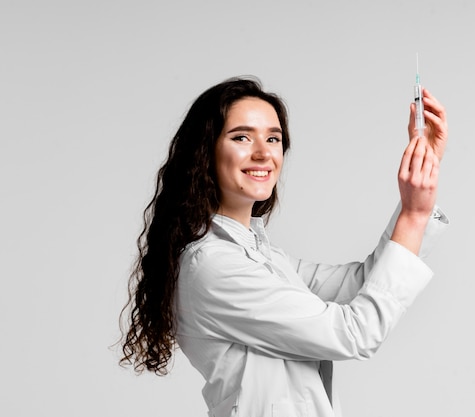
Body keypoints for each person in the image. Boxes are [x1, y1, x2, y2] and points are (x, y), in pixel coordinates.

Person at [119, 76, 449, 417]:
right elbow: (354, 333)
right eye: (242, 137)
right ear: (205, 152)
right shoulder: (212, 265)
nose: (263, 153)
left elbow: (361, 283)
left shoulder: (262, 256)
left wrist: (421, 192)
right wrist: (413, 214)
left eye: (273, 138)